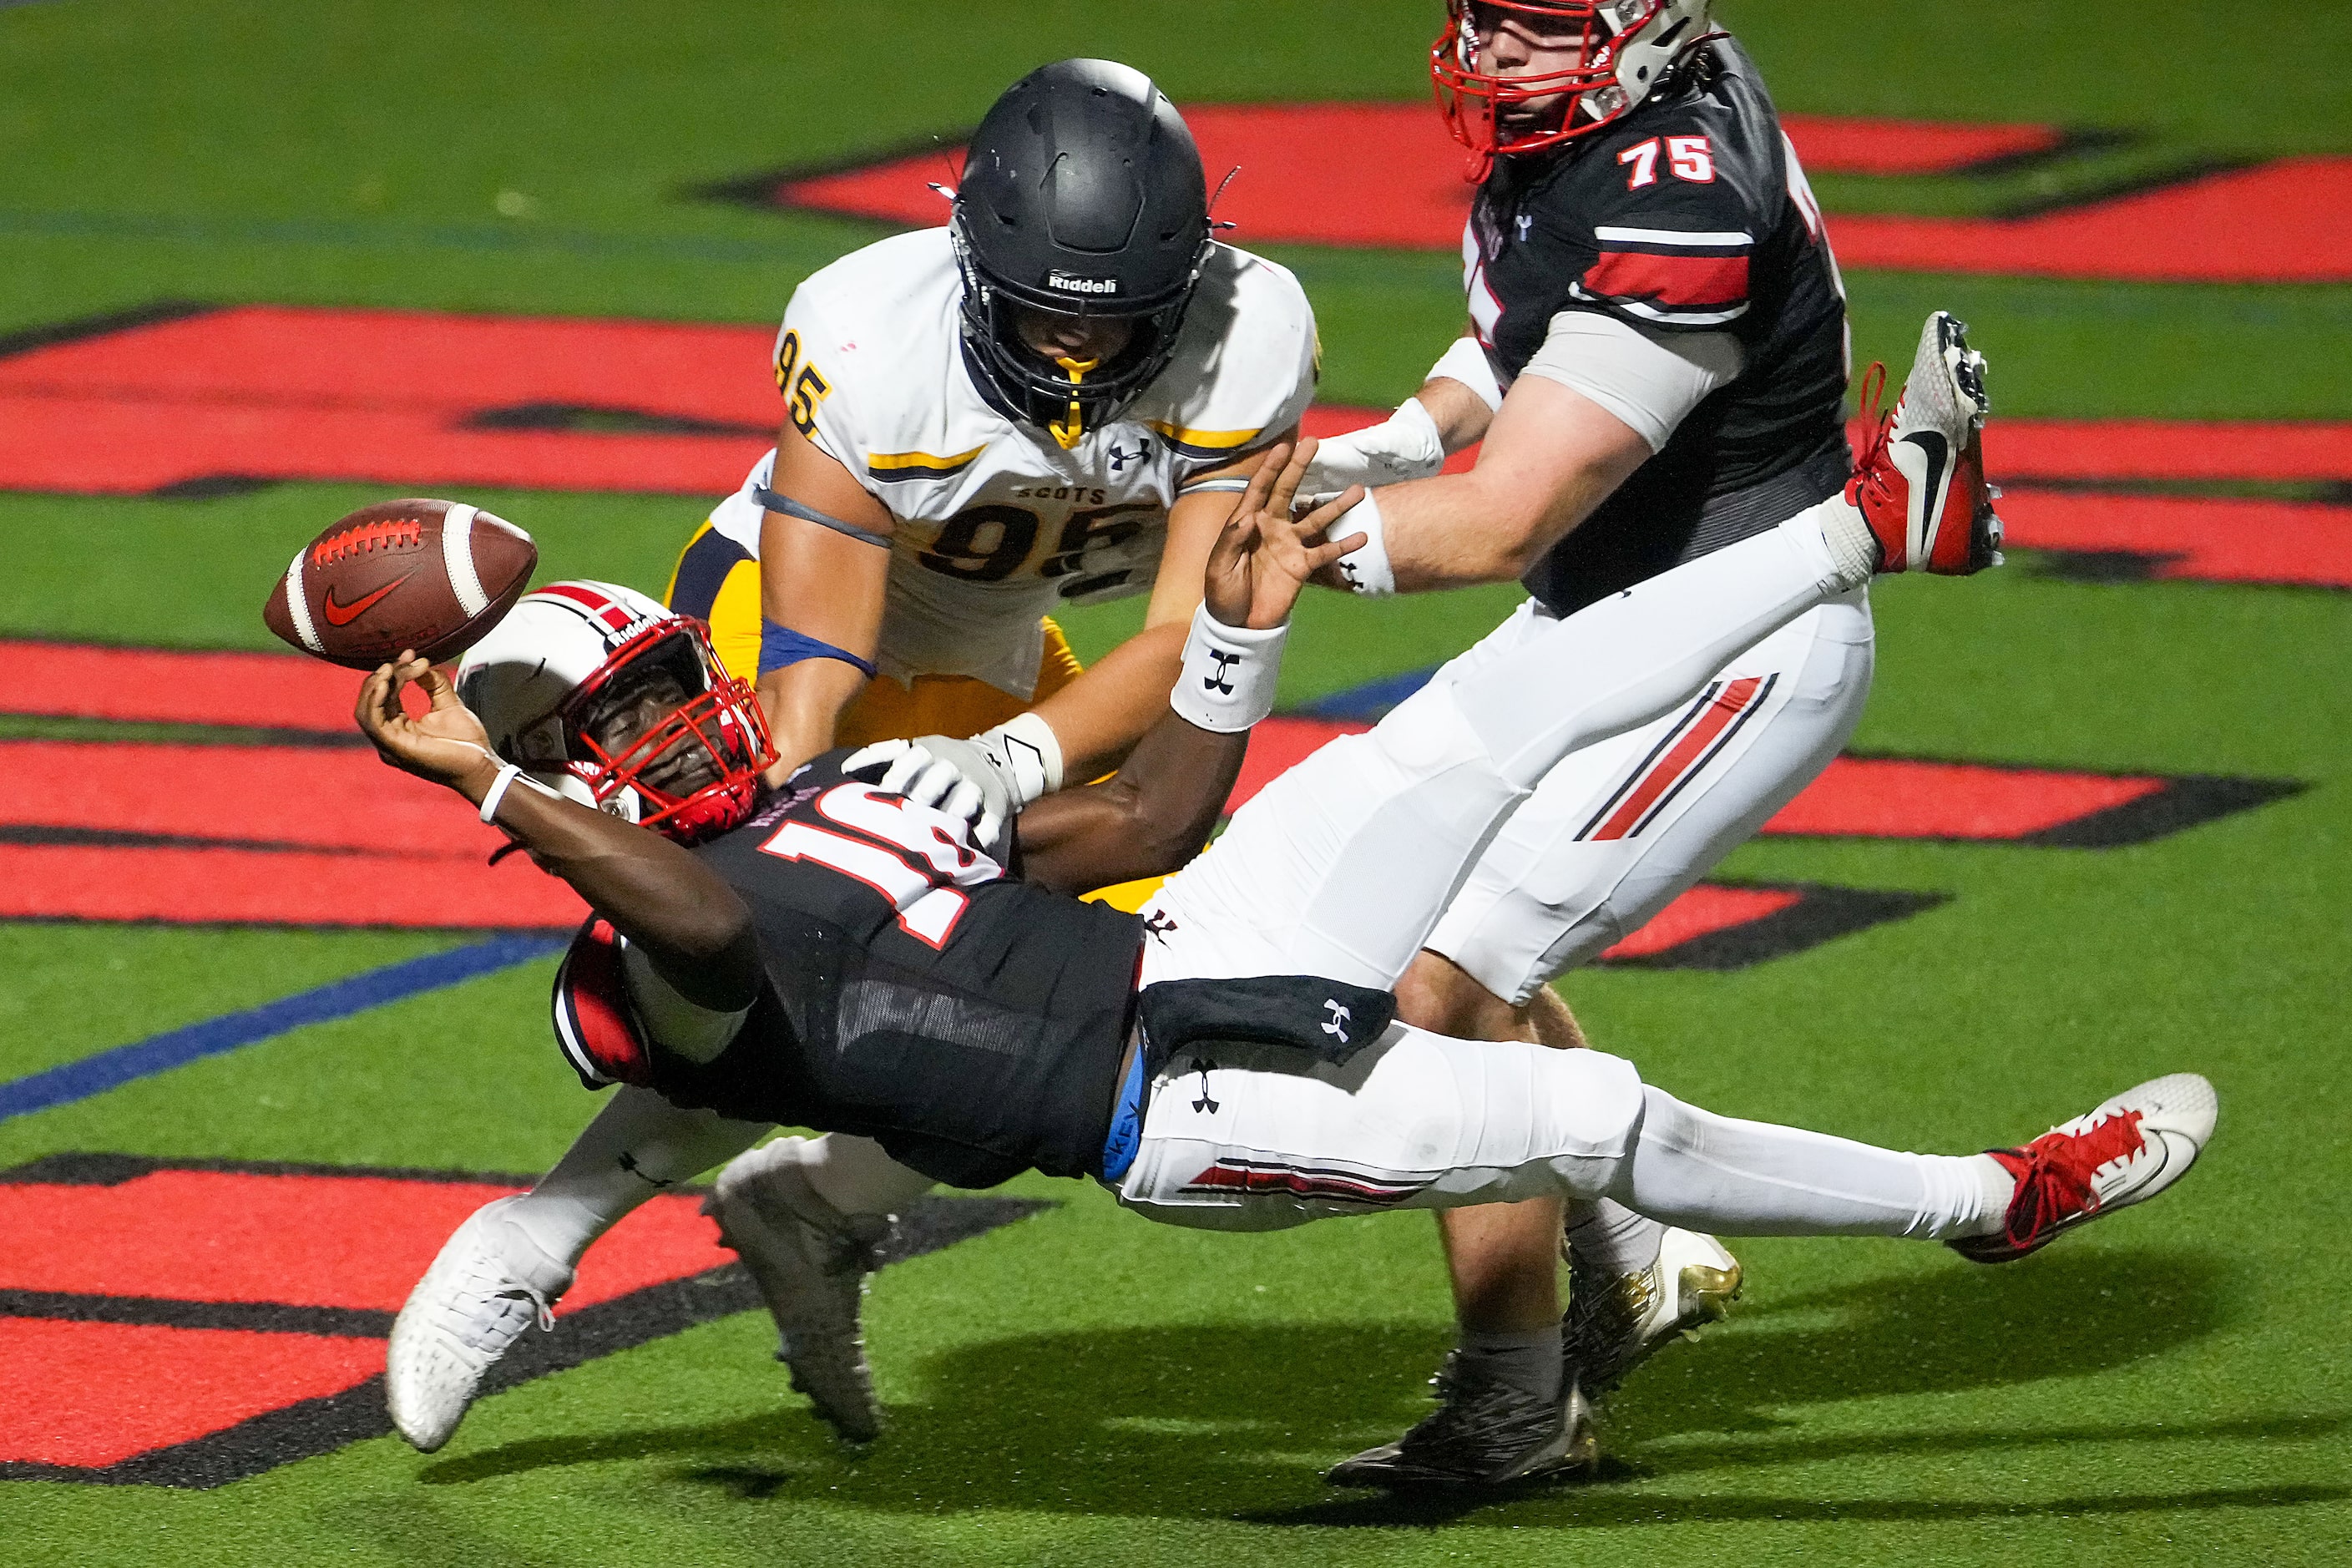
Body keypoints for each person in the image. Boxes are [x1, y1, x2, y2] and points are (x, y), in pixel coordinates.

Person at [375, 426, 2208, 1470]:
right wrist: (483, 783)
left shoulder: (848, 793)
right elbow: (689, 928)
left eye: (674, 687)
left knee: (1472, 710)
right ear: (556, 782)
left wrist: (1236, 642)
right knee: (1590, 1119)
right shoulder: (637, 955)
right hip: (1172, 1119)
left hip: (1198, 936)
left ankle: (1865, 515)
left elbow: (1150, 823)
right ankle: (1993, 1200)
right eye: (622, 723)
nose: (682, 730)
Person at [387, 55, 1320, 1449]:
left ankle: (813, 1205)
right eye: (1043, 323)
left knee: (1075, 1005)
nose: (1075, 360)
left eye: (1115, 327)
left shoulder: (1248, 329)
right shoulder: (869, 330)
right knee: (796, 960)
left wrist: (1012, 756)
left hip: (1013, 665)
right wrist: (791, 795)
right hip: (804, 627)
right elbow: (819, 641)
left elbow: (1188, 627)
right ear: (966, 256)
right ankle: (528, 1239)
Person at [1264, 0, 2001, 1484]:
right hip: (1611, 624)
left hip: (1728, 641)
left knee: (1442, 982)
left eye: (1531, 29)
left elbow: (1501, 517)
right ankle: (1636, 1253)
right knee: (1400, 932)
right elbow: (1528, 322)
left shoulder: (1676, 185)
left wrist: (1232, 542)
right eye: (1479, 17)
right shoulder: (1606, 122)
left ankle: (1514, 1394)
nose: (1486, 55)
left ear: (1642, 31)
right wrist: (1406, 433)